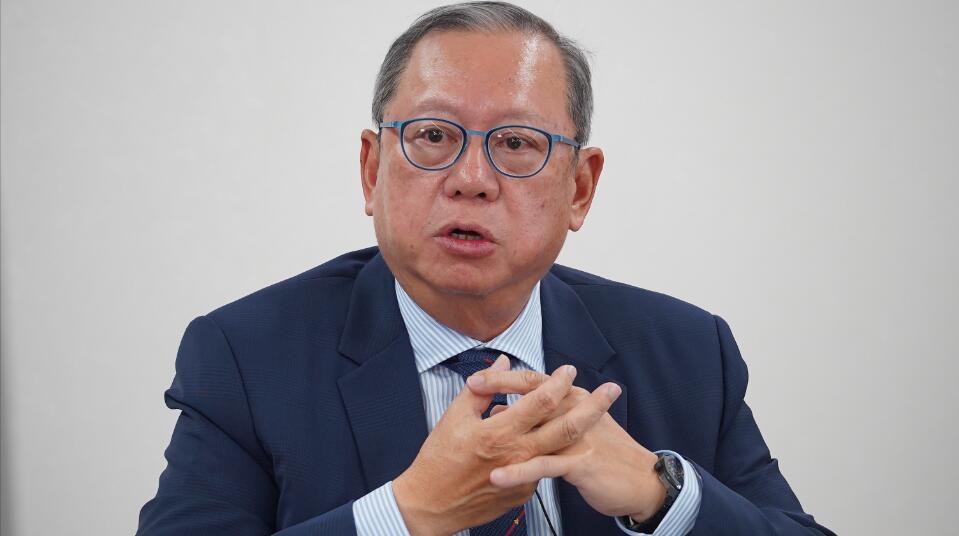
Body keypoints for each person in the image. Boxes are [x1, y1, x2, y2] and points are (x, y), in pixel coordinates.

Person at [137, 2, 836, 535]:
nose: (471, 179)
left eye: (517, 143)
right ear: (372, 170)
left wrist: (662, 495)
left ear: (580, 188)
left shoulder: (688, 352)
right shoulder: (244, 357)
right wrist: (406, 514)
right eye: (433, 135)